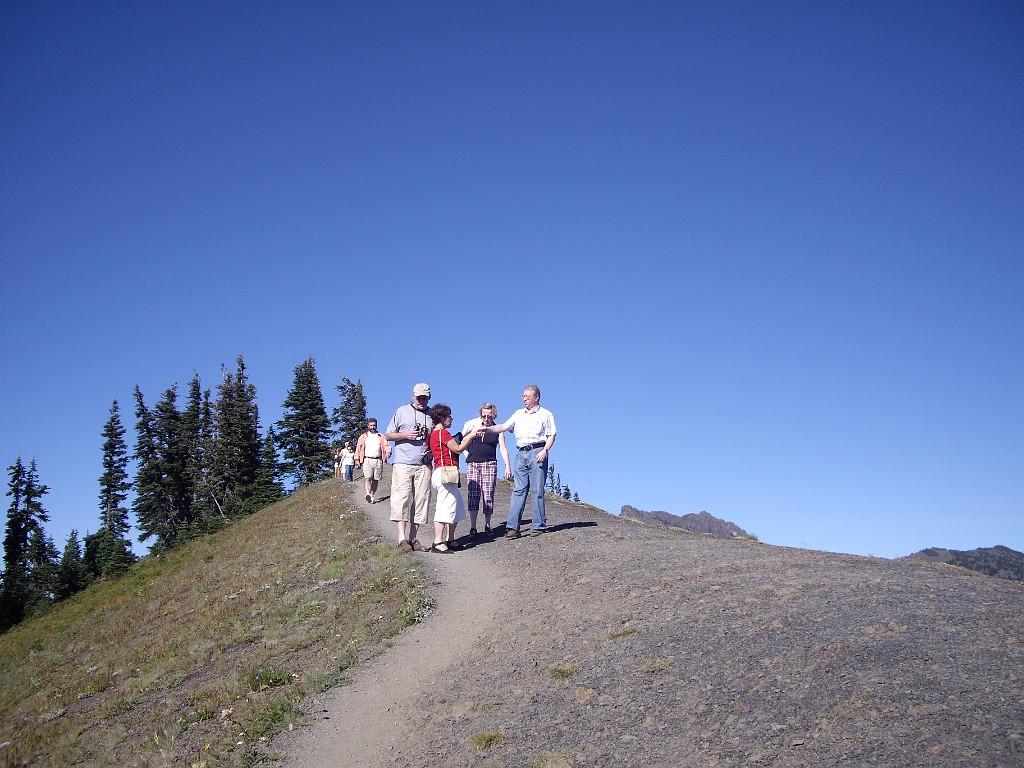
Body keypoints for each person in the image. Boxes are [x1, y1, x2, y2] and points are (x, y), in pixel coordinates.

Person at [485, 385, 557, 538]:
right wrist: (488, 429)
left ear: (536, 397)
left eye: (527, 396)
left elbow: (551, 435)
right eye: (523, 396)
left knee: (537, 490)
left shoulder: (546, 414)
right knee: (519, 489)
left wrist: (545, 450)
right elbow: (504, 426)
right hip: (521, 453)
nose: (524, 398)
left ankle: (538, 525)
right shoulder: (518, 414)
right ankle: (512, 527)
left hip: (538, 451)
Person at [384, 383, 434, 552]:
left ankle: (413, 538)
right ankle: (401, 538)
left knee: (421, 500)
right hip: (403, 462)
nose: (422, 401)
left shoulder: (431, 415)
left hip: (423, 464)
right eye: (419, 397)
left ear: (429, 397)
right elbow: (388, 435)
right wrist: (405, 435)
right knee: (402, 498)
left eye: (425, 397)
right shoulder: (401, 411)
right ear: (413, 396)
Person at [427, 404, 483, 553]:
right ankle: (438, 541)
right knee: (445, 507)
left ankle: (450, 539)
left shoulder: (435, 433)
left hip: (444, 472)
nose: (451, 419)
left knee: (456, 506)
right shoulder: (442, 433)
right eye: (449, 416)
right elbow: (457, 449)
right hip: (445, 473)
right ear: (442, 418)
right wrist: (470, 436)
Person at [461, 403, 511, 536]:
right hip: (473, 464)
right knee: (473, 495)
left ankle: (488, 525)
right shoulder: (474, 427)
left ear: (493, 415)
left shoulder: (497, 430)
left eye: (489, 416)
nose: (486, 419)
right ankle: (473, 527)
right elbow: (462, 441)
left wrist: (507, 465)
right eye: (484, 416)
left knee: (488, 494)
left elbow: (503, 448)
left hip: (490, 463)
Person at [355, 419, 390, 503]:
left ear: (376, 426)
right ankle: (367, 494)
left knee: (375, 479)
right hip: (367, 459)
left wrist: (388, 453)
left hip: (378, 460)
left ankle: (372, 495)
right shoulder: (363, 437)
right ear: (368, 426)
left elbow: (386, 446)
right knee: (368, 477)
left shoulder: (381, 436)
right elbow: (358, 448)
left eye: (374, 425)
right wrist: (357, 459)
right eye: (371, 425)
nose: (372, 427)